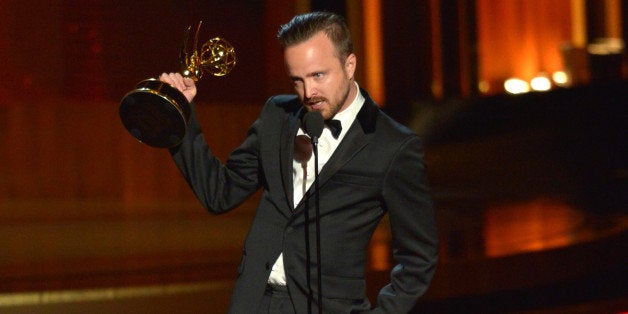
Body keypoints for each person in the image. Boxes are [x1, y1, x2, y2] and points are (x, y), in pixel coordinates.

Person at [160, 11, 438, 314]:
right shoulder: (278, 115)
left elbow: (419, 257)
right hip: (254, 301)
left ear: (349, 65)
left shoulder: (393, 146)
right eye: (297, 80)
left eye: (318, 75)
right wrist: (181, 116)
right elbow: (220, 193)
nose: (308, 93)